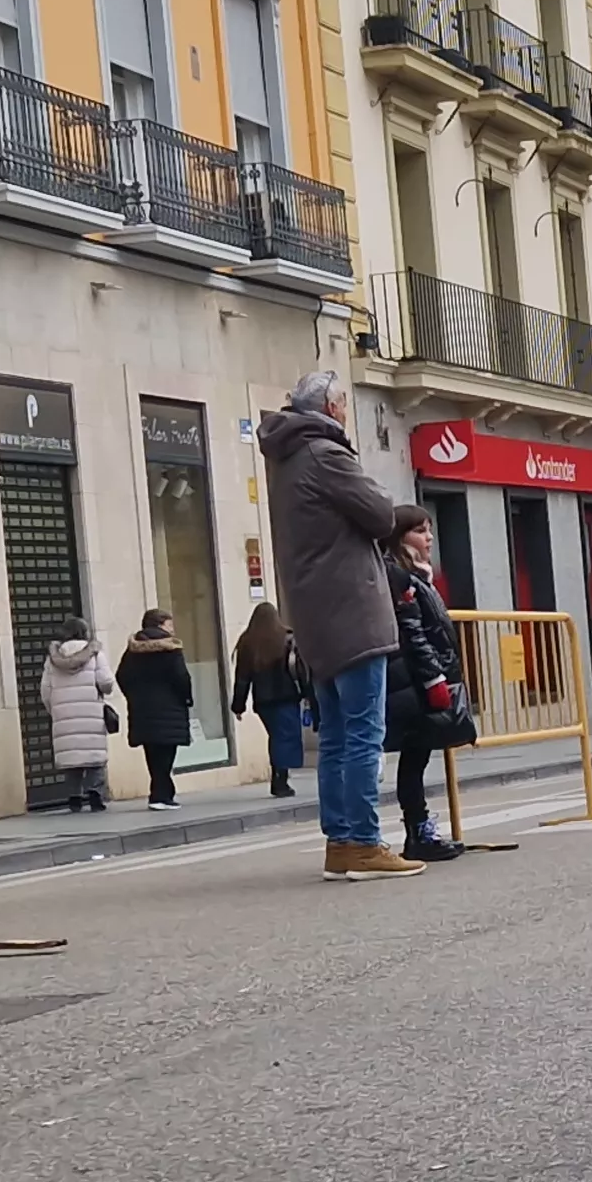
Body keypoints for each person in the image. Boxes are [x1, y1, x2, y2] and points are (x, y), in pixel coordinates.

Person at [260, 370, 423, 879]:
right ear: (331, 409)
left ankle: (340, 842)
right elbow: (377, 513)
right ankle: (364, 841)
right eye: (344, 407)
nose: (347, 415)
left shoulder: (286, 461)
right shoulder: (325, 455)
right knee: (361, 733)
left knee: (335, 733)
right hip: (351, 611)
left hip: (314, 618)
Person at [383, 506, 478, 860]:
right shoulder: (399, 576)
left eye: (429, 530)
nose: (429, 538)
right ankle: (418, 833)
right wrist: (434, 678)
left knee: (418, 757)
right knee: (414, 757)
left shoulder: (417, 575)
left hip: (419, 679)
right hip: (414, 682)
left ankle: (420, 830)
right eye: (421, 531)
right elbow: (414, 633)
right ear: (401, 537)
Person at [117, 608, 194, 810]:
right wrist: (185, 698)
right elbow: (181, 677)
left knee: (152, 752)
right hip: (169, 708)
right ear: (160, 625)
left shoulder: (133, 649)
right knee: (167, 752)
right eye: (169, 625)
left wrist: (134, 697)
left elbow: (121, 676)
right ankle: (160, 796)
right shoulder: (171, 649)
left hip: (142, 709)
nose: (172, 630)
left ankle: (161, 793)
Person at [233, 599, 308, 798]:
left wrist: (238, 706)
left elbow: (242, 677)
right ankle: (280, 779)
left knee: (276, 736)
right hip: (287, 697)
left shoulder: (247, 642)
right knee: (285, 737)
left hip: (263, 701)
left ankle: (278, 775)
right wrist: (308, 695)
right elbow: (300, 670)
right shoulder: (287, 638)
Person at [39, 630, 117, 812]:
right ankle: (95, 793)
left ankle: (74, 796)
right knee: (94, 756)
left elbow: (45, 691)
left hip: (63, 714)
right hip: (91, 712)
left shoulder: (52, 660)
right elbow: (106, 682)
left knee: (71, 755)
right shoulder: (96, 655)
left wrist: (55, 710)